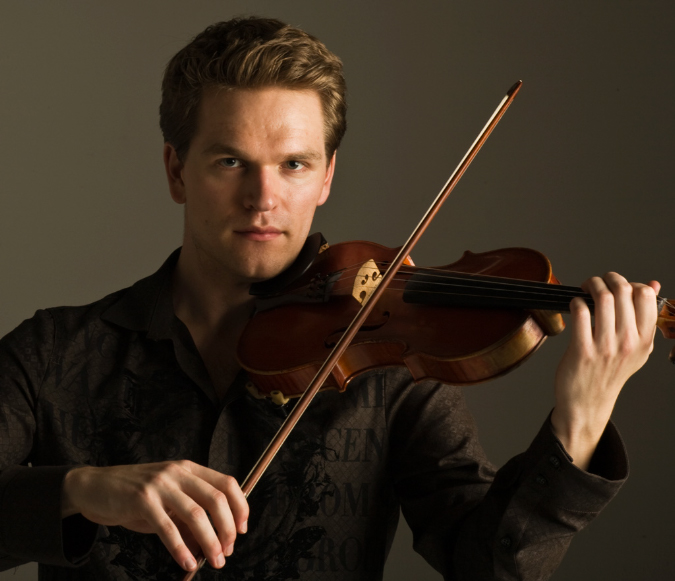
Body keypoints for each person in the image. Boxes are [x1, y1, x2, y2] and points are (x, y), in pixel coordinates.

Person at [0, 16, 660, 581]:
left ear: (326, 177)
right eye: (230, 162)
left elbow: (487, 565)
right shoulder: (55, 353)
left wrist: (580, 420)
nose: (263, 198)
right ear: (177, 171)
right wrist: (79, 489)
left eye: (293, 164)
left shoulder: (389, 367)